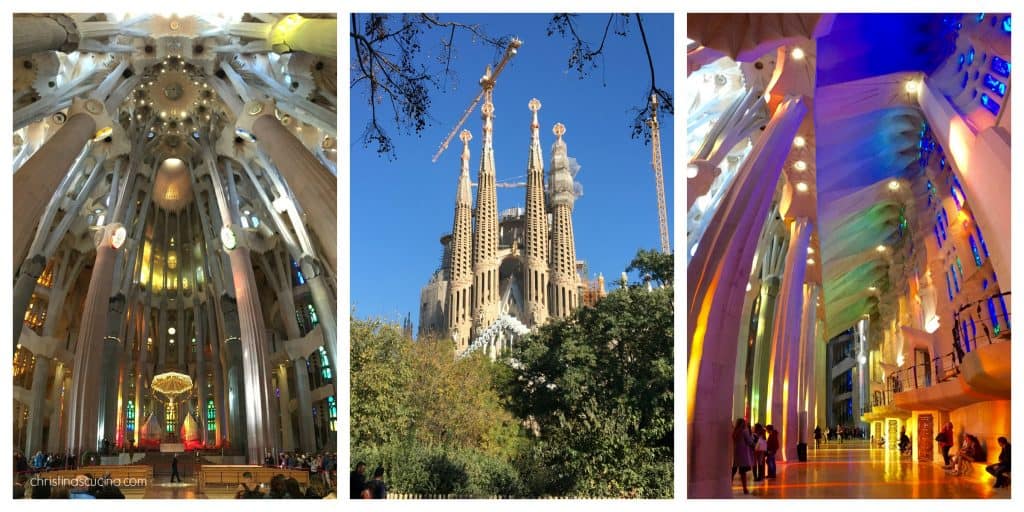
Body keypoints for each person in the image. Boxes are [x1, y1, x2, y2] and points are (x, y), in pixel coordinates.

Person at [732, 418, 755, 495]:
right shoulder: (744, 431)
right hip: (743, 454)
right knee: (743, 472)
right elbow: (749, 441)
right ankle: (745, 489)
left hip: (736, 453)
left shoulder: (735, 431)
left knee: (733, 471)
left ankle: (728, 486)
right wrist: (753, 442)